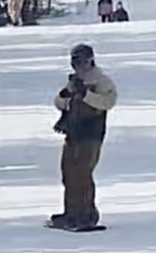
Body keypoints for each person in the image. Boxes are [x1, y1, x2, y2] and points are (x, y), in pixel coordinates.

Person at [47, 44, 118, 231]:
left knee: (83, 174)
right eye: (76, 61)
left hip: (91, 134)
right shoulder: (76, 81)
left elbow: (108, 101)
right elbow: (59, 100)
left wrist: (86, 96)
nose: (79, 65)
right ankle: (71, 212)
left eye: (82, 61)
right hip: (73, 132)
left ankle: (87, 214)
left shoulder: (100, 81)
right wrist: (69, 101)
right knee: (69, 172)